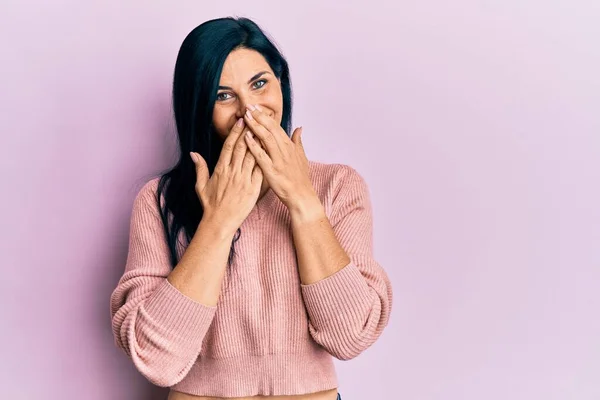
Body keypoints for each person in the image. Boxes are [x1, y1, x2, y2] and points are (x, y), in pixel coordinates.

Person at [109, 16, 393, 400]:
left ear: (281, 85)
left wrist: (303, 202)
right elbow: (155, 359)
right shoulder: (160, 200)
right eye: (223, 95)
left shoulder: (338, 186)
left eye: (260, 84)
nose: (248, 109)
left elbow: (351, 335)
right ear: (199, 107)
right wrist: (219, 222)